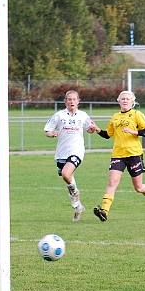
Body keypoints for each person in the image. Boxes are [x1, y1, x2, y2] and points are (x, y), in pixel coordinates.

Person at [91, 90, 145, 221]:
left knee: (138, 187)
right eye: (122, 99)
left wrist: (133, 131)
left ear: (132, 102)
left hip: (134, 154)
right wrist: (97, 129)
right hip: (118, 154)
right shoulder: (115, 117)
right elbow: (108, 135)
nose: (124, 100)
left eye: (127, 99)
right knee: (112, 182)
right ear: (118, 101)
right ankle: (104, 211)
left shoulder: (136, 114)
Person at [43, 90, 97, 221]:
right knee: (68, 178)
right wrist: (52, 134)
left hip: (76, 150)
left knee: (66, 174)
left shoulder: (83, 115)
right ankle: (79, 207)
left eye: (74, 99)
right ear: (65, 101)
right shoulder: (59, 115)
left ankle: (76, 194)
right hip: (62, 152)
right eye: (69, 99)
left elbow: (89, 129)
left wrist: (93, 129)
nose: (72, 101)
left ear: (78, 101)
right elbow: (47, 130)